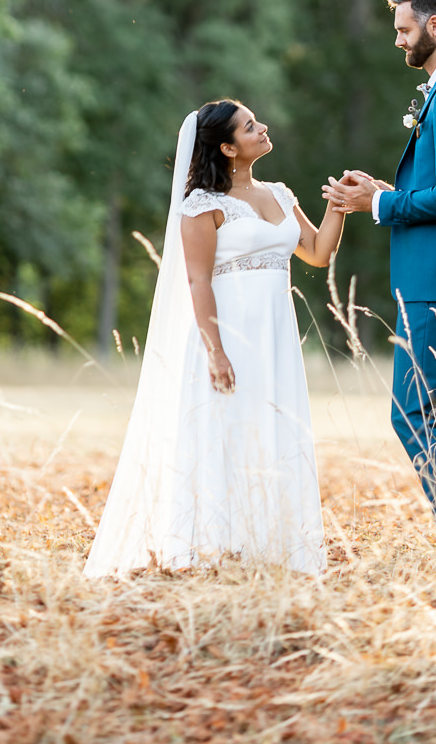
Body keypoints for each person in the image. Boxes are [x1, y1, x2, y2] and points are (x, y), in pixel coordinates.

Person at [85, 98, 345, 577]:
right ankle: (213, 551)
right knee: (225, 433)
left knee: (272, 429)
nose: (262, 128)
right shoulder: (202, 206)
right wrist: (216, 351)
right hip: (227, 334)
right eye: (249, 126)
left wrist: (339, 205)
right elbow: (198, 280)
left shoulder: (280, 194)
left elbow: (317, 252)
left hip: (274, 337)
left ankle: (270, 550)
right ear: (227, 147)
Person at [324, 0, 436, 567]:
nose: (398, 41)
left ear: (434, 25)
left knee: (414, 413)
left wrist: (376, 204)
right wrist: (385, 190)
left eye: (404, 30)